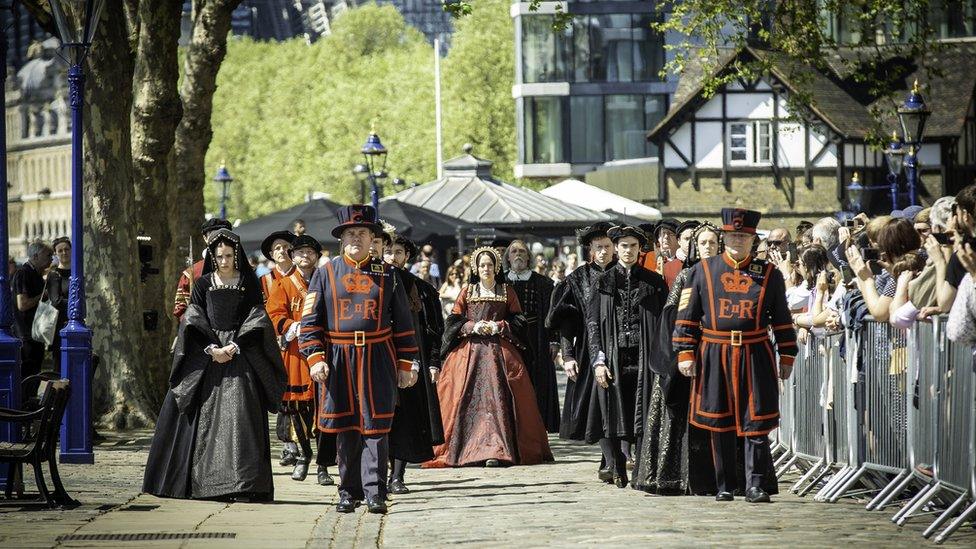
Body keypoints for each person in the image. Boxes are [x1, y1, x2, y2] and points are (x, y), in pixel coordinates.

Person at [143, 229, 286, 501]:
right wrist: (211, 348)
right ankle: (204, 483)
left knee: (242, 417)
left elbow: (258, 318)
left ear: (236, 256)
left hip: (240, 353)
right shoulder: (203, 283)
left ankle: (243, 484)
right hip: (207, 354)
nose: (224, 260)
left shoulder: (248, 283)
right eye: (219, 256)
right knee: (200, 415)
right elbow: (193, 318)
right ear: (212, 256)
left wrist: (233, 346)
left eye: (229, 256)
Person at [298, 204, 419, 515]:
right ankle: (348, 491)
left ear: (372, 238)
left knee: (376, 427)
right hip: (338, 359)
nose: (356, 238)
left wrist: (407, 364)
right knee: (346, 428)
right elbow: (309, 322)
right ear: (342, 239)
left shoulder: (389, 274)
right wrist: (315, 358)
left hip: (378, 356)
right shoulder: (325, 273)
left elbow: (404, 323)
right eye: (350, 233)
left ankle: (375, 491)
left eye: (362, 233)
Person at [674, 208, 797, 503]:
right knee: (721, 422)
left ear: (752, 239)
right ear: (724, 236)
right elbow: (686, 316)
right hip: (714, 353)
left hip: (756, 354)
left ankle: (754, 485)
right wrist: (685, 352)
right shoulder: (701, 271)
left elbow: (782, 318)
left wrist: (787, 355)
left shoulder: (769, 274)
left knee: (756, 422)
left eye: (743, 236)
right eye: (732, 236)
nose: (737, 241)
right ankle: (725, 485)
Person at [426, 246, 553, 468]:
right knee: (460, 396)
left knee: (502, 397)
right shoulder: (467, 291)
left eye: (490, 265)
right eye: (482, 265)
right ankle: (467, 448)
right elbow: (453, 321)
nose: (486, 268)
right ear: (476, 267)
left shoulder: (507, 291)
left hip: (500, 353)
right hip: (469, 354)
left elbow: (519, 321)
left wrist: (498, 325)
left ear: (496, 267)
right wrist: (472, 326)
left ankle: (498, 448)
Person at [633, 222, 721, 495]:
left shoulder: (727, 277)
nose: (708, 247)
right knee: (679, 415)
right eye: (703, 243)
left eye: (713, 243)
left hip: (717, 356)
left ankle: (722, 477)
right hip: (687, 355)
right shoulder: (687, 276)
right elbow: (671, 316)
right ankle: (676, 476)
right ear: (695, 246)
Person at [586, 226, 668, 488]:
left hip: (645, 357)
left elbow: (665, 323)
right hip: (613, 357)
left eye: (633, 246)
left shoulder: (653, 282)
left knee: (643, 412)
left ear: (639, 249)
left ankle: (643, 470)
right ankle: (617, 467)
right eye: (623, 246)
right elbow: (593, 324)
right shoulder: (603, 282)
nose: (628, 250)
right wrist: (598, 360)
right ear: (616, 248)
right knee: (613, 411)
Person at [265, 234, 336, 485]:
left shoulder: (328, 280)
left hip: (323, 350)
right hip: (295, 353)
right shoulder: (284, 284)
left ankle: (323, 465)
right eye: (300, 253)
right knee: (297, 409)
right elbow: (273, 314)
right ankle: (305, 454)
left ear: (317, 256)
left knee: (325, 408)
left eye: (310, 252)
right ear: (292, 256)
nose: (305, 257)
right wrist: (290, 326)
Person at [383, 233, 445, 494]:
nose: (392, 257)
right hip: (379, 360)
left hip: (411, 363)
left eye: (398, 252)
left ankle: (397, 476)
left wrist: (432, 362)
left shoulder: (423, 290)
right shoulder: (372, 284)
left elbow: (434, 331)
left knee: (407, 419)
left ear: (407, 257)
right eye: (388, 251)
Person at [546, 222, 615, 443]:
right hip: (587, 346)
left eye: (607, 246)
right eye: (598, 247)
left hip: (617, 343)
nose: (603, 252)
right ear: (591, 250)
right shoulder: (578, 278)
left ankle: (616, 459)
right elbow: (567, 320)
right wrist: (567, 355)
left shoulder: (622, 274)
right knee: (594, 406)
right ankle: (609, 459)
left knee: (617, 402)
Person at [504, 240, 560, 433]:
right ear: (508, 257)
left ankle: (538, 425)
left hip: (537, 337)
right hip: (508, 337)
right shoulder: (500, 282)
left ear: (528, 256)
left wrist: (554, 340)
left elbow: (553, 314)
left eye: (522, 251)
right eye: (514, 251)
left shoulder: (544, 283)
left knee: (538, 380)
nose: (518, 255)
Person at [173, 218, 233, 320]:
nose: (219, 239)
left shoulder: (244, 272)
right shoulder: (190, 274)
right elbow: (181, 309)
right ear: (205, 238)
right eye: (214, 235)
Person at [14, 241, 53, 377]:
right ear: (35, 256)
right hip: (26, 335)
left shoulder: (37, 275)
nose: (51, 258)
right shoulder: (23, 273)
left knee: (35, 374)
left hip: (37, 334)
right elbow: (22, 304)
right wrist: (43, 295)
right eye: (48, 255)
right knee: (27, 375)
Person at [44, 237, 71, 371]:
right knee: (60, 368)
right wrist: (76, 305)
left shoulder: (79, 272)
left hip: (79, 326)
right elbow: (56, 301)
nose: (64, 253)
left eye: (66, 249)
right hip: (59, 328)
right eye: (60, 251)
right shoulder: (54, 275)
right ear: (56, 254)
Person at [259, 230, 295, 301]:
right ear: (271, 254)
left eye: (285, 246)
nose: (281, 251)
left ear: (292, 251)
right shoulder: (264, 281)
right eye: (277, 248)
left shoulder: (303, 274)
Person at [663, 220, 699, 287]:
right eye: (687, 238)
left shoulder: (707, 264)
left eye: (694, 238)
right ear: (679, 241)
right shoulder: (667, 268)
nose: (690, 242)